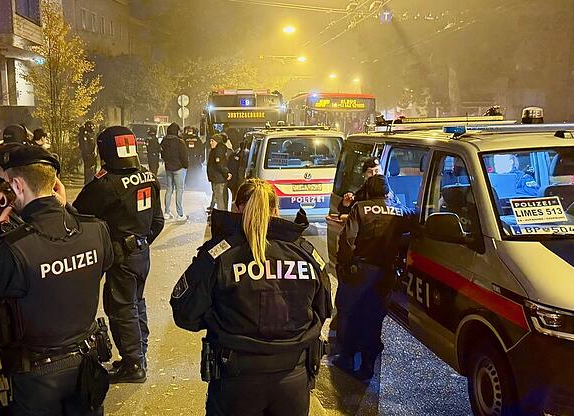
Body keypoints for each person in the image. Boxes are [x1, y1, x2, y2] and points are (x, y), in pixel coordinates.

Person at [0, 145, 113, 415]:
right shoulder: (96, 231)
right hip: (85, 373)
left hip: (32, 383)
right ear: (53, 183)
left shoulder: (12, 250)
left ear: (17, 185)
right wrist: (65, 208)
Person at [171, 179, 332, 416]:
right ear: (276, 210)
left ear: (237, 208)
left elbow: (185, 314)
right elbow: (324, 308)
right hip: (294, 377)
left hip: (236, 378)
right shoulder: (306, 252)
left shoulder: (220, 253)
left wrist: (218, 319)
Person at [73, 126, 164, 383]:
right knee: (136, 304)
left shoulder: (104, 185)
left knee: (122, 308)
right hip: (140, 252)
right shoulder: (148, 177)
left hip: (120, 257)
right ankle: (139, 354)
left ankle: (134, 364)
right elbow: (158, 221)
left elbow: (77, 216)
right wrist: (140, 243)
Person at [332, 175, 415, 381]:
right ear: (387, 192)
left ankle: (348, 358)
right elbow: (414, 223)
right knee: (374, 318)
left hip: (360, 270)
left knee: (351, 314)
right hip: (385, 272)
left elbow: (347, 240)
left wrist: (345, 263)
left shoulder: (360, 209)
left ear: (368, 190)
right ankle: (368, 366)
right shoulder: (399, 211)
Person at [160, 123, 189, 220]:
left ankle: (167, 213)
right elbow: (184, 156)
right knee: (179, 190)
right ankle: (180, 214)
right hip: (179, 169)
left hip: (168, 168)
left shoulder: (164, 141)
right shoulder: (180, 142)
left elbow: (162, 155)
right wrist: (185, 166)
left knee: (169, 190)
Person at [206, 134, 231, 211]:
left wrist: (226, 174)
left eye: (212, 141)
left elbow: (220, 164)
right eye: (210, 141)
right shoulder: (215, 150)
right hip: (216, 178)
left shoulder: (219, 150)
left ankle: (223, 219)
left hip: (219, 179)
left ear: (217, 141)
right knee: (220, 199)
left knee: (221, 202)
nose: (210, 142)